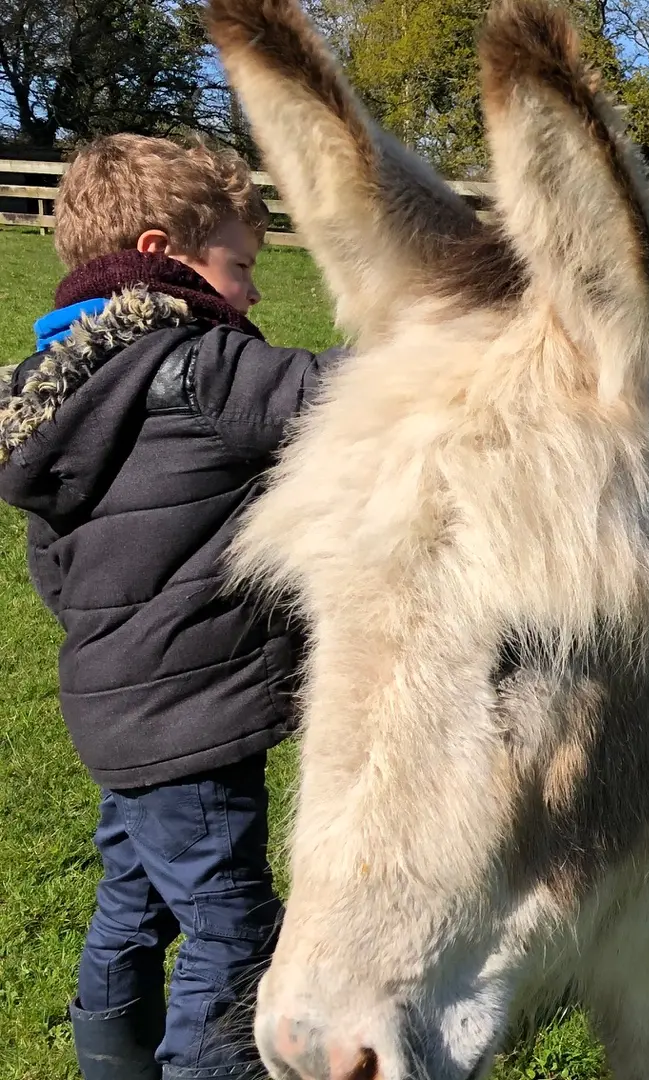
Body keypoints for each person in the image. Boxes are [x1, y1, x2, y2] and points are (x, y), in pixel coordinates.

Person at [0, 135, 330, 1080]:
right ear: (162, 254)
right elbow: (355, 392)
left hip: (112, 712)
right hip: (192, 723)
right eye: (242, 266)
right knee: (234, 930)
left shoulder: (56, 387)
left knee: (131, 902)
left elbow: (53, 572)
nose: (255, 295)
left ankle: (111, 1062)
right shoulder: (200, 366)